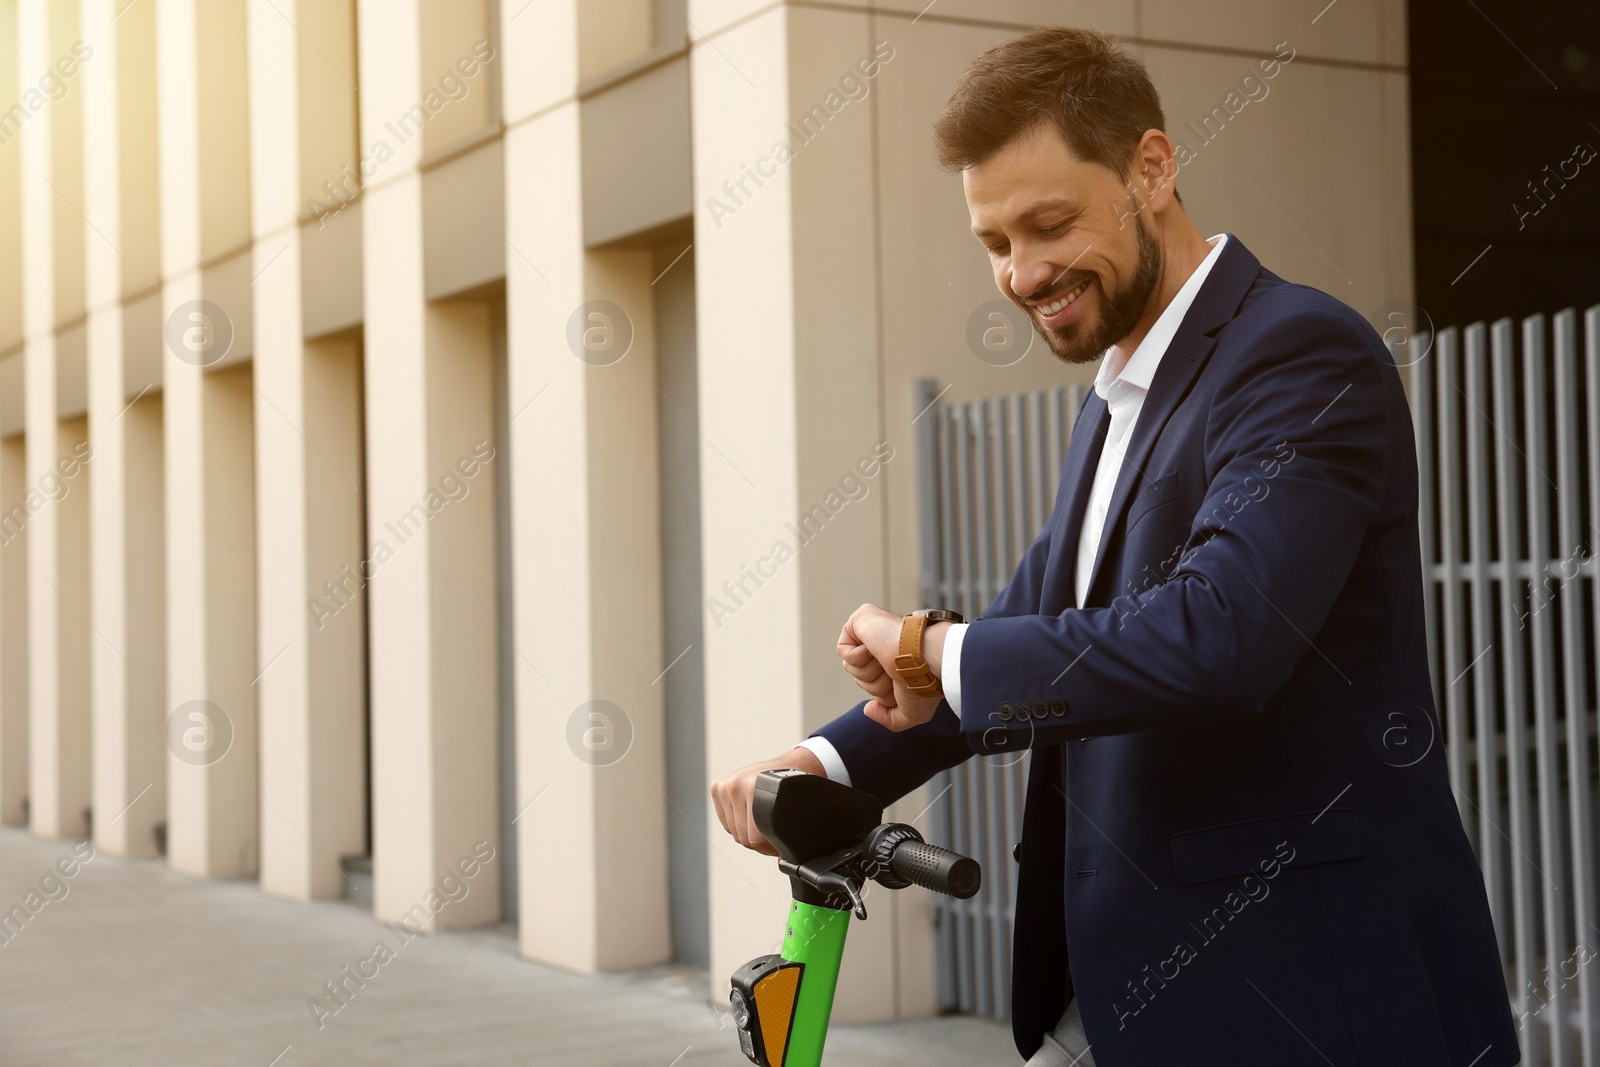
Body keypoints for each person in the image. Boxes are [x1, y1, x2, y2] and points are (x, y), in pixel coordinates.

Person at [711, 26, 1517, 1067]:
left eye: (1047, 224)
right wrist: (823, 760)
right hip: (1113, 1002)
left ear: (1151, 167)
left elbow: (1223, 632)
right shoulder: (1115, 398)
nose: (1022, 272)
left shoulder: (1298, 352)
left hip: (1296, 998)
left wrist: (930, 648)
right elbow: (1020, 638)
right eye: (994, 243)